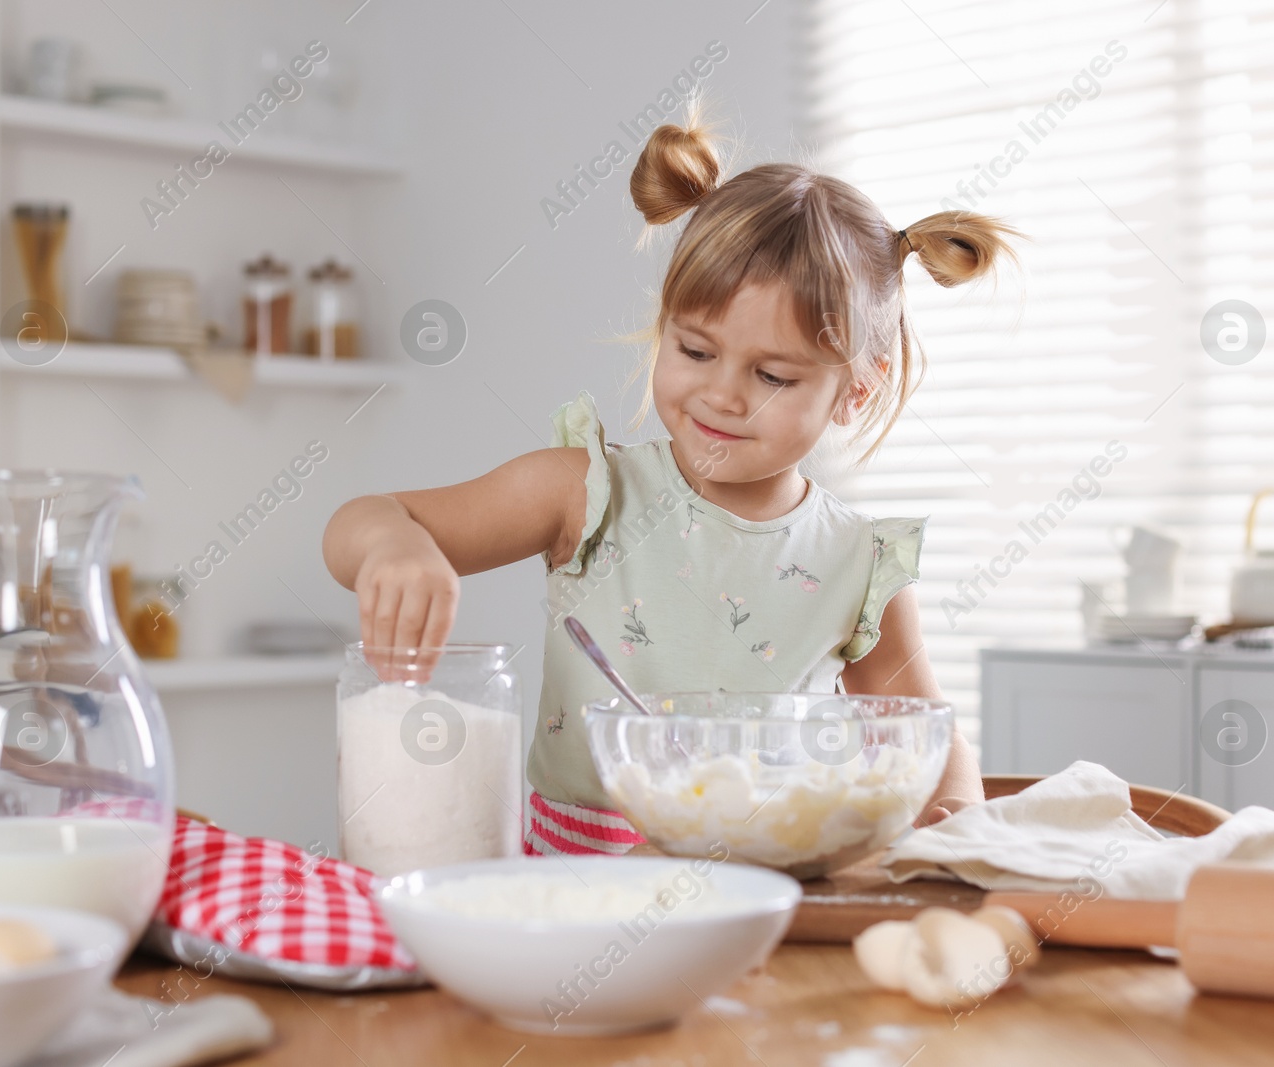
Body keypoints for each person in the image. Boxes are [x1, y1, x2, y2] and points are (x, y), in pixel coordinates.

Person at [323, 104, 1017, 857]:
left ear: (856, 391)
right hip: (576, 897)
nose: (722, 394)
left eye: (773, 375)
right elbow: (362, 521)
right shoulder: (585, 492)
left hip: (766, 895)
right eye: (694, 350)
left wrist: (955, 829)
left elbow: (928, 734)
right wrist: (395, 546)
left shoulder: (860, 561)